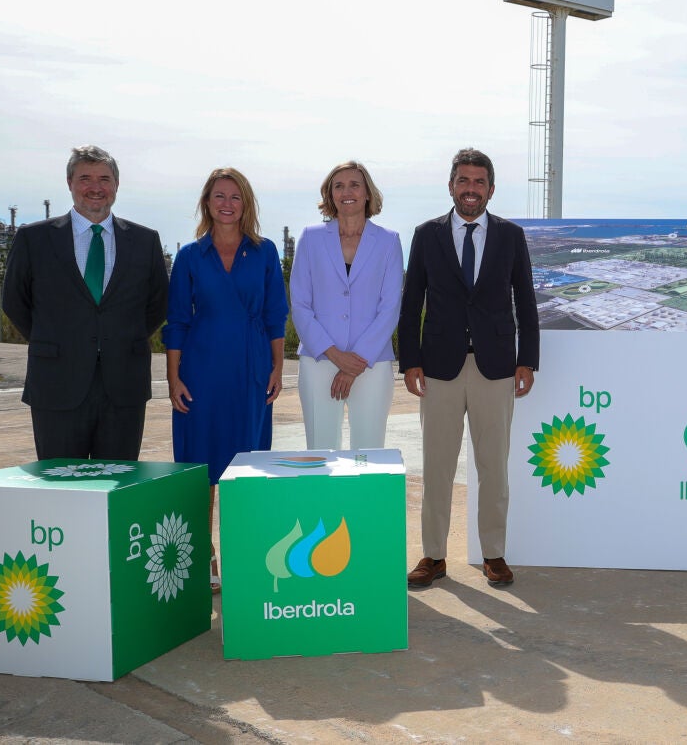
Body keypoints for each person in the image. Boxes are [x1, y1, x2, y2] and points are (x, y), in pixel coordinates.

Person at [399, 148, 539, 589]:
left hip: (495, 368)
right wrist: (410, 361)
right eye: (464, 180)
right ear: (451, 186)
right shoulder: (427, 235)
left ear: (491, 189)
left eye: (479, 182)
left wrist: (527, 359)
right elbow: (411, 302)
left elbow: (526, 300)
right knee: (437, 467)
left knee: (493, 467)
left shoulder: (511, 236)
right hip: (439, 368)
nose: (471, 189)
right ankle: (433, 556)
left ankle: (493, 554)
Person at [164, 168, 288, 588]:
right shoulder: (189, 256)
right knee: (201, 464)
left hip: (251, 368)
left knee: (244, 462)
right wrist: (173, 377)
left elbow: (275, 314)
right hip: (201, 369)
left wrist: (277, 366)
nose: (227, 204)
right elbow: (177, 320)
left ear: (246, 203)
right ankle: (203, 553)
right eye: (219, 196)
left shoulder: (265, 252)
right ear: (207, 202)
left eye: (235, 197)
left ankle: (242, 553)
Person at [3, 145, 168, 460]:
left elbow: (157, 303)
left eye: (104, 179)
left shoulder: (145, 241)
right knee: (61, 483)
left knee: (119, 482)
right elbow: (14, 301)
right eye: (85, 179)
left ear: (116, 185)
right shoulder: (34, 239)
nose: (96, 187)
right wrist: (55, 339)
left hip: (124, 385)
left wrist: (118, 337)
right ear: (69, 183)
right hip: (57, 382)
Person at [289, 162, 404, 450]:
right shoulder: (310, 238)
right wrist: (334, 354)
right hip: (319, 360)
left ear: (367, 193)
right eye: (338, 186)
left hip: (371, 363)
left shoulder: (389, 241)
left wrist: (355, 363)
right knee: (320, 451)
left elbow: (390, 307)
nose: (346, 192)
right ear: (330, 195)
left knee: (369, 453)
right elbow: (300, 304)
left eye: (354, 185)